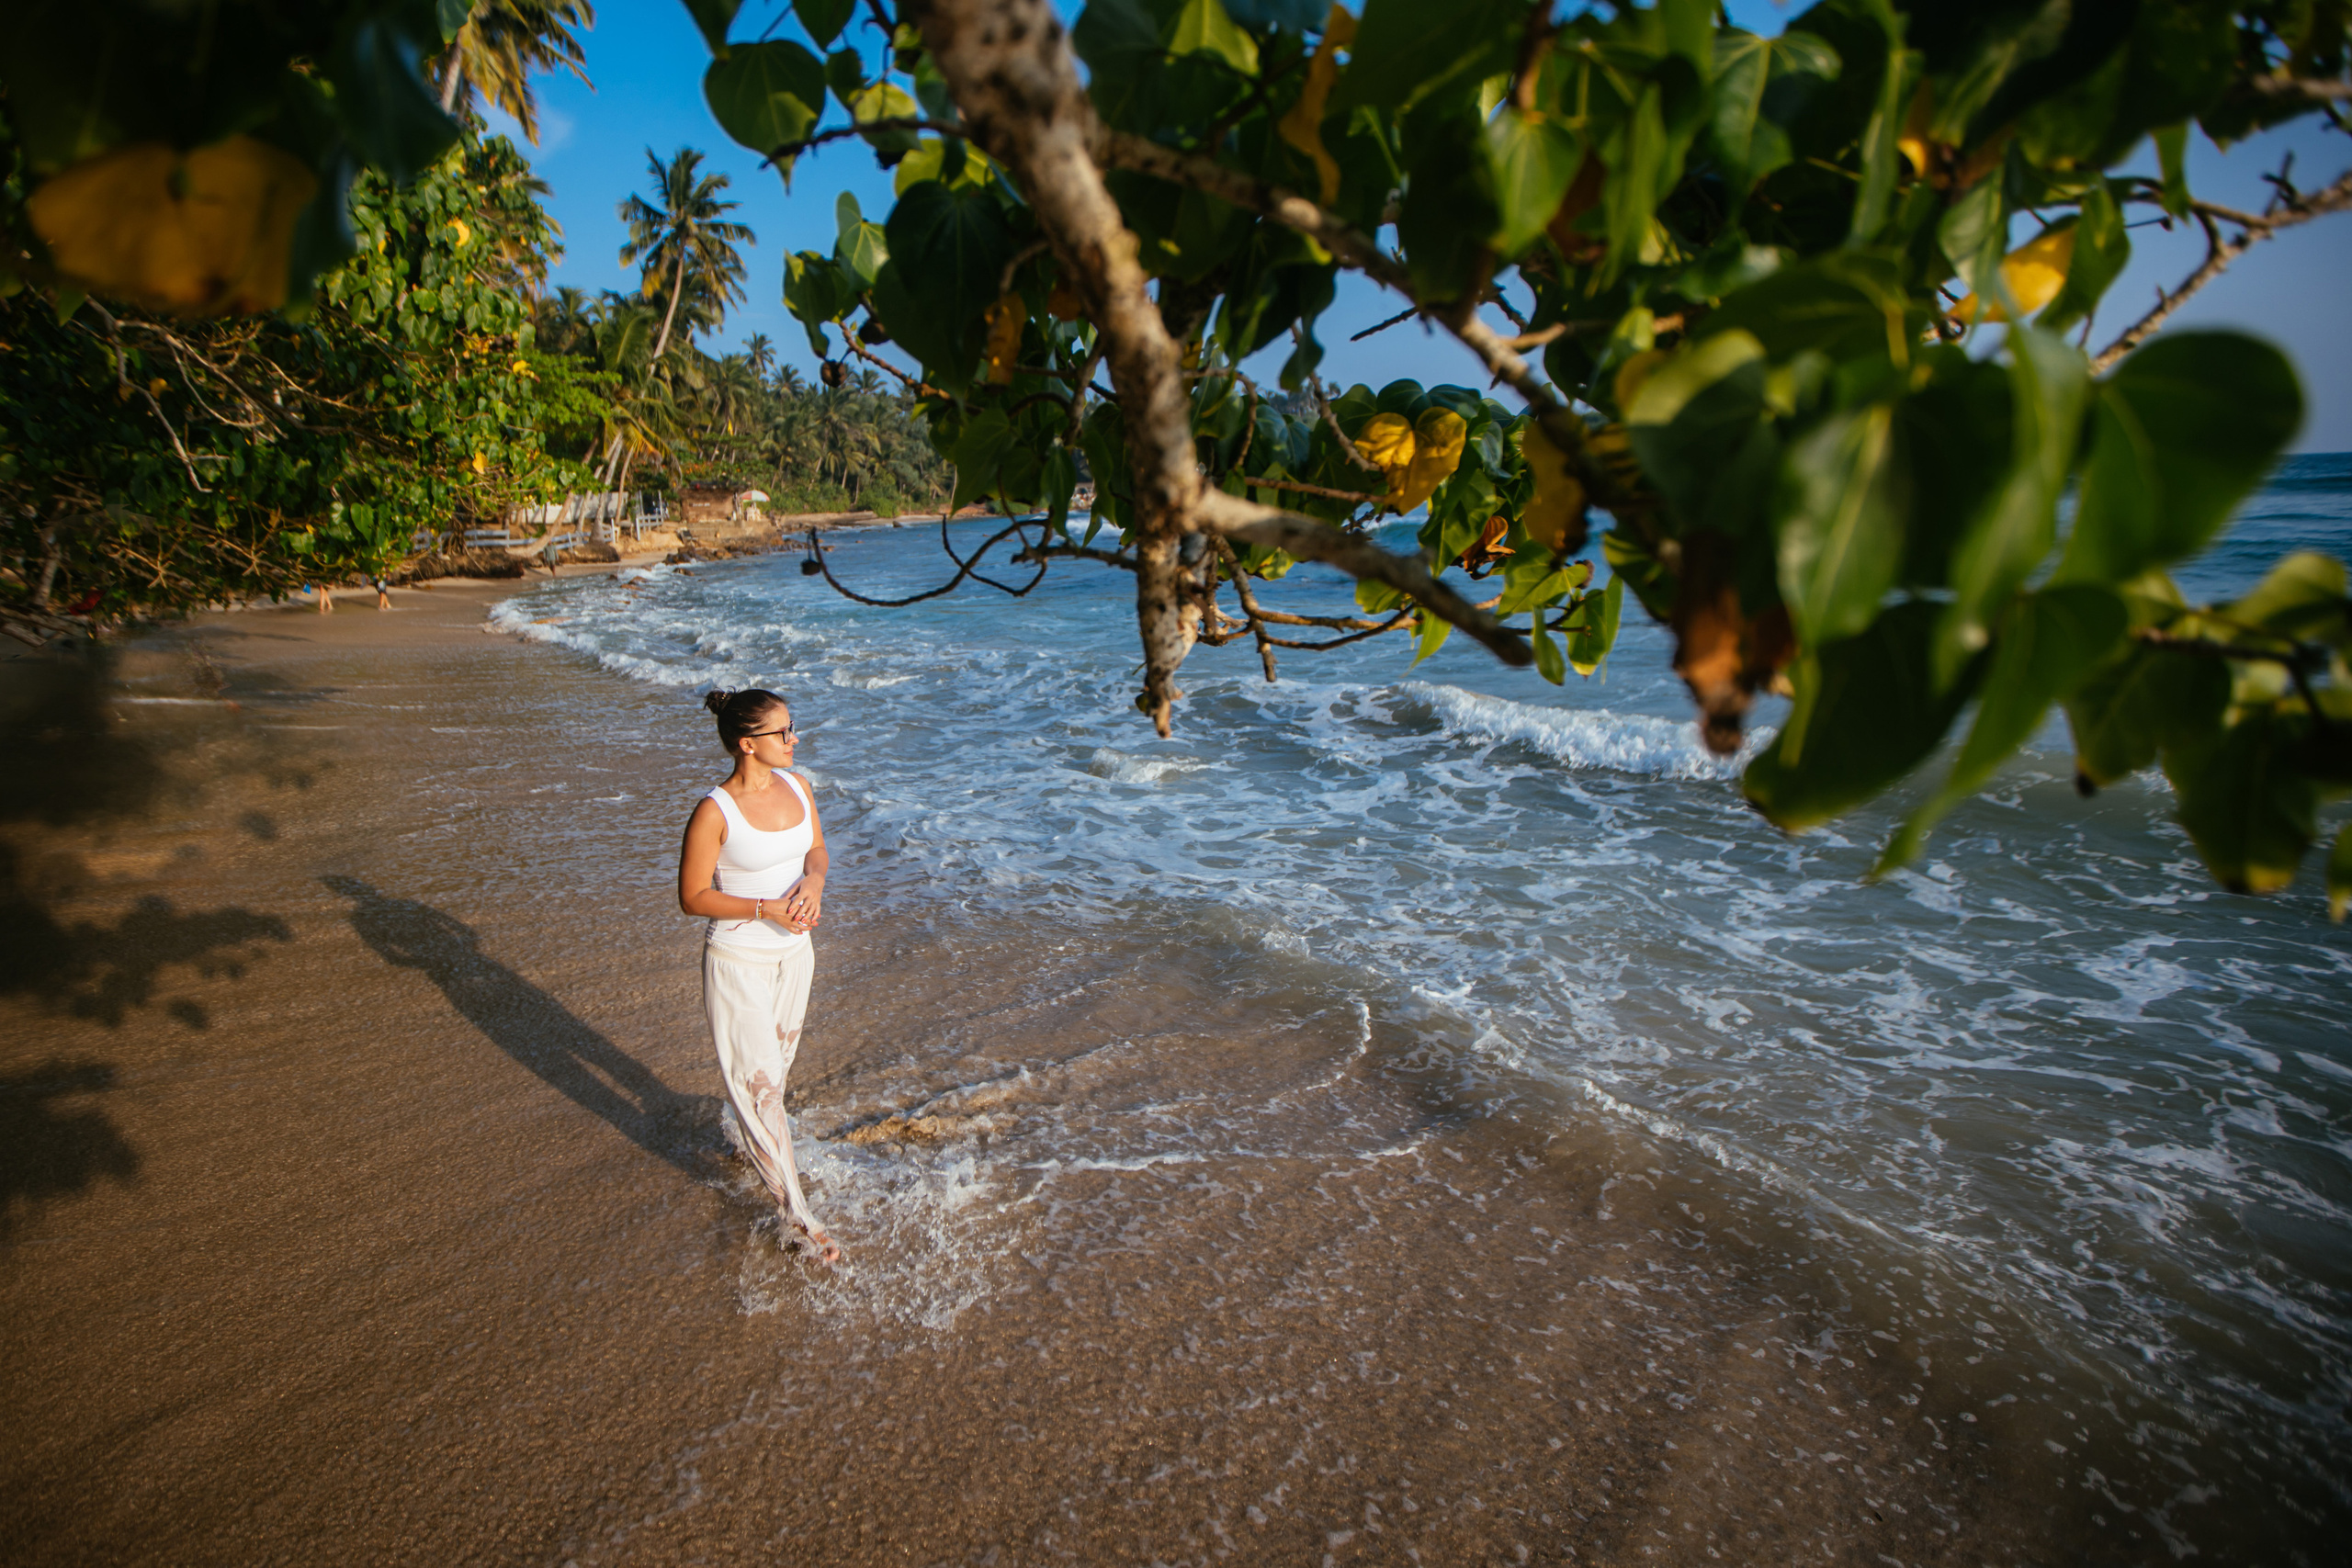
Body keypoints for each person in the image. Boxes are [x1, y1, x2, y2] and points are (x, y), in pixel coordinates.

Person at [676, 688, 838, 1263]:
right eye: (783, 732)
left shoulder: (799, 786)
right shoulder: (714, 811)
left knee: (775, 1077)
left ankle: (750, 1136)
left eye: (794, 727)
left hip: (796, 956)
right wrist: (765, 907)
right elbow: (693, 898)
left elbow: (816, 850)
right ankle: (798, 1215)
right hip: (738, 961)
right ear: (748, 744)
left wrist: (813, 885)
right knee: (765, 1092)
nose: (795, 740)